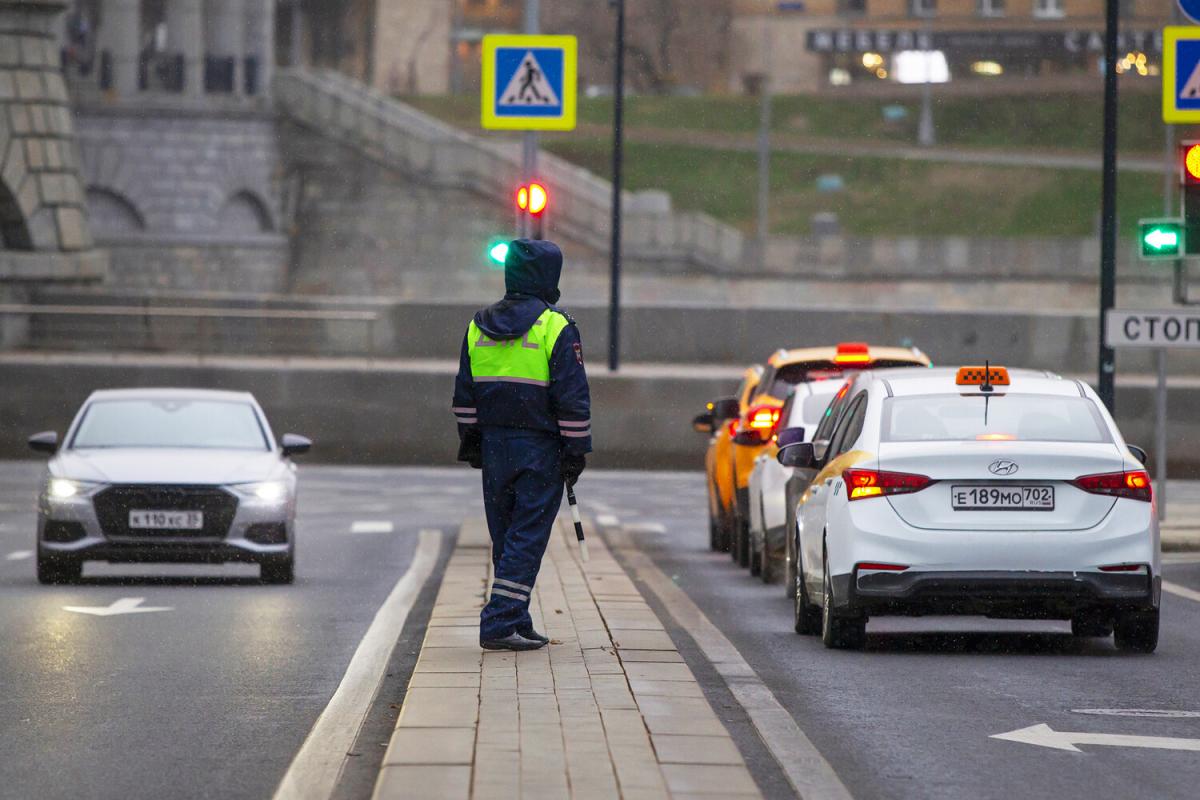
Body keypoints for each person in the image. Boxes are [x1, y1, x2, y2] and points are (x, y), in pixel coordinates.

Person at [453, 239, 591, 651]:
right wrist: (575, 448)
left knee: (507, 533)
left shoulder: (478, 325)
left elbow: (464, 395)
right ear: (551, 277)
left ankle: (516, 615)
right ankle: (499, 620)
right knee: (528, 535)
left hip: (495, 444)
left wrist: (472, 441)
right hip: (540, 447)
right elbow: (572, 396)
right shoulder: (556, 326)